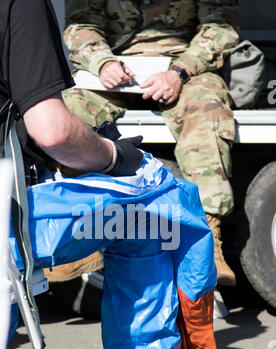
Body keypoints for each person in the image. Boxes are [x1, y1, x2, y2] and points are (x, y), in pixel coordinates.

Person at [0, 0, 222, 349]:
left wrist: (179, 71)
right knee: (155, 207)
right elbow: (51, 129)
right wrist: (114, 157)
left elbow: (220, 29)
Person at [62, 0, 240, 287]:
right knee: (69, 111)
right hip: (112, 70)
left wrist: (180, 71)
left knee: (206, 109)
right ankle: (81, 233)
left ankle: (208, 240)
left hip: (181, 67)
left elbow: (220, 27)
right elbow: (81, 25)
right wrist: (103, 62)